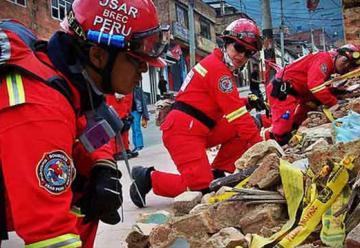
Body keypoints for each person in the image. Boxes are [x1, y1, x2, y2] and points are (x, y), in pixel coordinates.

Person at [0, 0, 168, 246]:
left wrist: (102, 166)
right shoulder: (41, 109)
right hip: (19, 199)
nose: (144, 69)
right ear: (98, 54)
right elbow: (50, 235)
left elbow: (92, 124)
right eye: (136, 60)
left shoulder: (73, 80)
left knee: (91, 187)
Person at [129, 18, 264, 208]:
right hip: (183, 132)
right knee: (202, 191)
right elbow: (237, 116)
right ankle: (148, 178)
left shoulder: (218, 66)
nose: (242, 56)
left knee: (247, 127)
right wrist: (264, 149)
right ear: (226, 43)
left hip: (198, 127)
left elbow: (218, 104)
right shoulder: (219, 71)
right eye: (239, 48)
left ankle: (217, 172)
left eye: (248, 53)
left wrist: (247, 103)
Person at [264, 44, 360, 144]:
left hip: (298, 90)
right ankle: (269, 141)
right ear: (338, 55)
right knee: (281, 131)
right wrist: (334, 103)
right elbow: (315, 86)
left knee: (308, 107)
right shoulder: (325, 59)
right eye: (345, 61)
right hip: (283, 91)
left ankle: (293, 128)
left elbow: (315, 84)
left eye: (349, 65)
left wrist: (333, 90)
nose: (345, 66)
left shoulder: (327, 63)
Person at [106, 93, 139, 160]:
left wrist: (128, 113)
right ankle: (115, 153)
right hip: (115, 110)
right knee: (115, 133)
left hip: (122, 110)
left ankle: (125, 150)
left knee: (125, 132)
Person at [131, 84, 150, 153]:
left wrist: (145, 114)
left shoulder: (138, 89)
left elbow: (143, 101)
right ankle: (136, 146)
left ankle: (139, 145)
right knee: (133, 129)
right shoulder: (126, 90)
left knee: (136, 128)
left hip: (137, 111)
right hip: (129, 111)